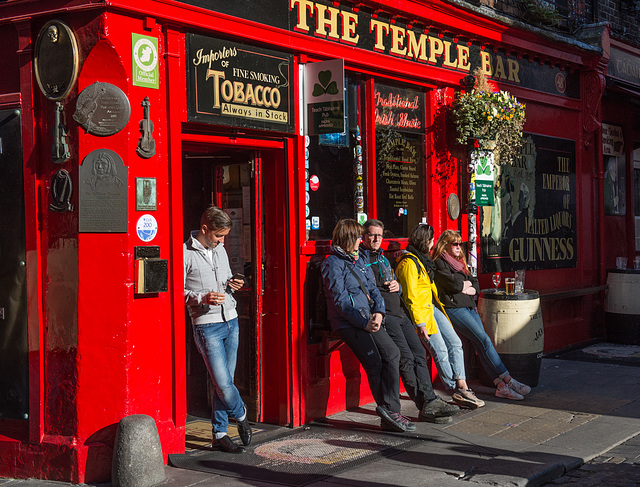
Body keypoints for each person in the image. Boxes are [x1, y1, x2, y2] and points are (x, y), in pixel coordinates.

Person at [359, 219, 459, 423]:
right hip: (387, 315)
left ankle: (429, 400)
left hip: (401, 312)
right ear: (364, 237)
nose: (377, 239)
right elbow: (366, 290)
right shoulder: (362, 260)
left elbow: (402, 288)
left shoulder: (383, 259)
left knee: (420, 353)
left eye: (379, 235)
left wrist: (398, 286)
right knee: (406, 359)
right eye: (372, 235)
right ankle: (424, 404)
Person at [321, 219, 415, 432]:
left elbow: (374, 290)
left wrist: (379, 313)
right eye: (357, 237)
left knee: (392, 353)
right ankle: (389, 412)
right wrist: (364, 322)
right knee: (374, 362)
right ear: (348, 238)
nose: (360, 241)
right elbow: (340, 301)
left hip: (370, 319)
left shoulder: (358, 260)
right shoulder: (332, 263)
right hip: (349, 323)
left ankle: (391, 411)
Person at [432, 230, 532, 400]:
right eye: (454, 244)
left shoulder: (460, 263)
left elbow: (476, 285)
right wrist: (463, 287)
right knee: (484, 340)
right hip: (455, 309)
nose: (458, 247)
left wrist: (466, 287)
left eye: (459, 244)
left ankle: (501, 386)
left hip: (469, 307)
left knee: (481, 343)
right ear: (445, 245)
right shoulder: (439, 263)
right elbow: (453, 284)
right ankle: (509, 380)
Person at [184, 206, 252, 453]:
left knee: (224, 382)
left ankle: (220, 433)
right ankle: (242, 415)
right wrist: (202, 298)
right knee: (223, 384)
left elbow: (225, 284)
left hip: (231, 320)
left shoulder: (220, 250)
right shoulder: (185, 254)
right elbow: (176, 292)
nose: (222, 241)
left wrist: (235, 283)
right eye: (218, 236)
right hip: (206, 325)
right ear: (204, 229)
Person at [395, 223, 485, 409]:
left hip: (433, 307)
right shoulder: (408, 263)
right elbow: (410, 296)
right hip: (421, 313)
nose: (432, 244)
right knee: (440, 350)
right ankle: (455, 389)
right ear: (424, 241)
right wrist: (419, 323)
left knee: (455, 343)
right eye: (430, 240)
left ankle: (463, 385)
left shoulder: (423, 260)